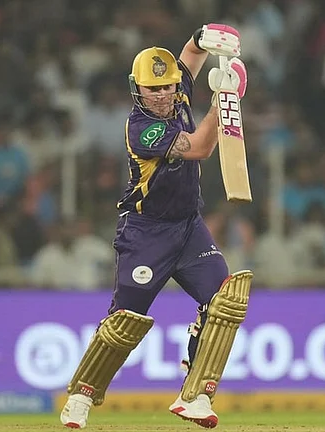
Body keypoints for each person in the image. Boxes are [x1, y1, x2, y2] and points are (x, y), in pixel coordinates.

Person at [60, 23, 251, 430]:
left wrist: (201, 37)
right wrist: (225, 100)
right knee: (126, 319)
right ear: (138, 90)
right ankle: (81, 395)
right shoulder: (141, 128)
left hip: (188, 227)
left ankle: (196, 395)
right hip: (145, 232)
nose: (163, 95)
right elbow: (200, 147)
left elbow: (191, 56)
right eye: (153, 89)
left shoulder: (178, 91)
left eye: (167, 87)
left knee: (224, 300)